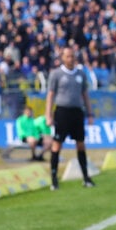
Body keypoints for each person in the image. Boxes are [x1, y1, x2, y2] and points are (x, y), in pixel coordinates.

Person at [45, 46, 96, 189]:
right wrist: (48, 115)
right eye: (67, 56)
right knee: (57, 144)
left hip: (77, 112)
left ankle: (86, 177)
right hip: (62, 112)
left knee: (80, 143)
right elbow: (50, 95)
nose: (70, 59)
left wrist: (90, 113)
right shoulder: (56, 74)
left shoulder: (81, 74)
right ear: (62, 58)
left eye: (72, 56)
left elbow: (85, 94)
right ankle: (54, 179)